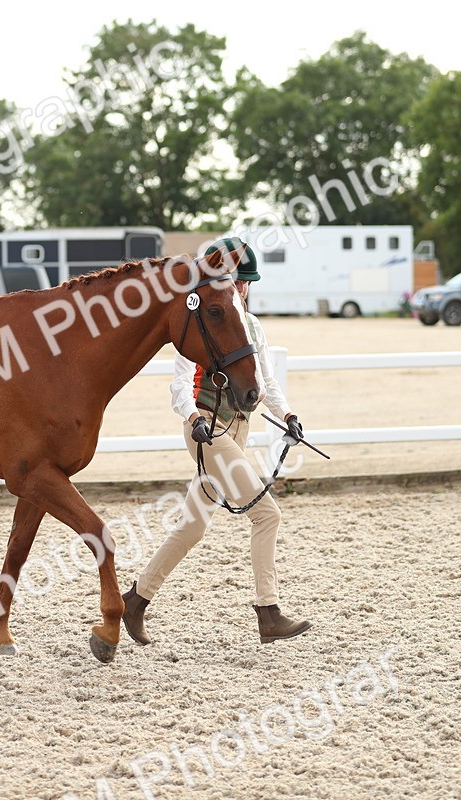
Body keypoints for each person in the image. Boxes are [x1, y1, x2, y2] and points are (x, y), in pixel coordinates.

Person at [122, 238, 312, 645]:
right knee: (267, 515)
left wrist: (288, 415)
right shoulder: (202, 322)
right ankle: (268, 612)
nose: (241, 290)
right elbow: (179, 383)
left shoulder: (250, 325)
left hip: (238, 429)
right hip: (207, 430)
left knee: (191, 526)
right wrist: (192, 419)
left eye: (244, 284)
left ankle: (134, 601)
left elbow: (265, 381)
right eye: (235, 283)